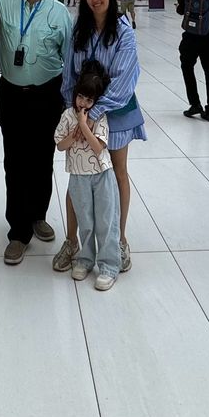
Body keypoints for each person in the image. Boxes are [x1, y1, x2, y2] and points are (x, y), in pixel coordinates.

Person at [53, 0, 143, 276]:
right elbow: (69, 73)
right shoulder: (79, 31)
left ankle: (118, 240)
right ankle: (72, 241)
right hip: (81, 113)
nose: (95, 0)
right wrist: (74, 112)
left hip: (114, 113)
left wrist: (95, 113)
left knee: (116, 174)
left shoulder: (124, 31)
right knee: (78, 176)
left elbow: (123, 78)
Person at [0, 0, 74, 265]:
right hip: (12, 94)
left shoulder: (59, 12)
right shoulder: (3, 2)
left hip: (47, 94)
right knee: (14, 161)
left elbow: (70, 57)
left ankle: (38, 215)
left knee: (42, 159)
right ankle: (18, 231)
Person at [55, 59, 121, 291]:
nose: (83, 103)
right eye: (81, 97)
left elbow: (98, 147)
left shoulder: (98, 117)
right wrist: (74, 135)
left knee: (105, 221)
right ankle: (85, 259)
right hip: (78, 176)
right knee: (86, 221)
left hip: (102, 175)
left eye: (89, 100)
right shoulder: (66, 116)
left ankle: (109, 266)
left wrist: (84, 126)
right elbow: (60, 145)